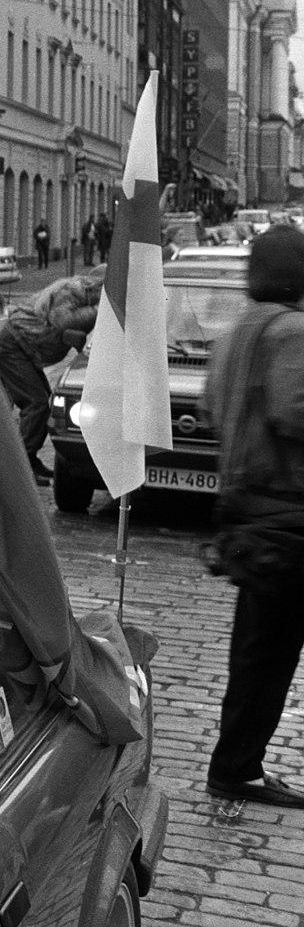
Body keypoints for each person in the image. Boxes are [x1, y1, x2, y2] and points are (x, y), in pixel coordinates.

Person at [201, 227, 304, 807]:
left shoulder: (241, 329)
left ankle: (237, 764)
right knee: (268, 652)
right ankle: (236, 766)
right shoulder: (292, 330)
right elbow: (296, 412)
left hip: (248, 509)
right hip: (289, 511)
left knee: (258, 650)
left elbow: (213, 404)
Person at [0, 265, 104, 491]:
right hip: (13, 346)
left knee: (44, 403)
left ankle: (29, 460)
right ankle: (20, 467)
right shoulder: (71, 292)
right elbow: (62, 320)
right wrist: (100, 311)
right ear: (97, 287)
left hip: (24, 348)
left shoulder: (83, 297)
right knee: (36, 404)